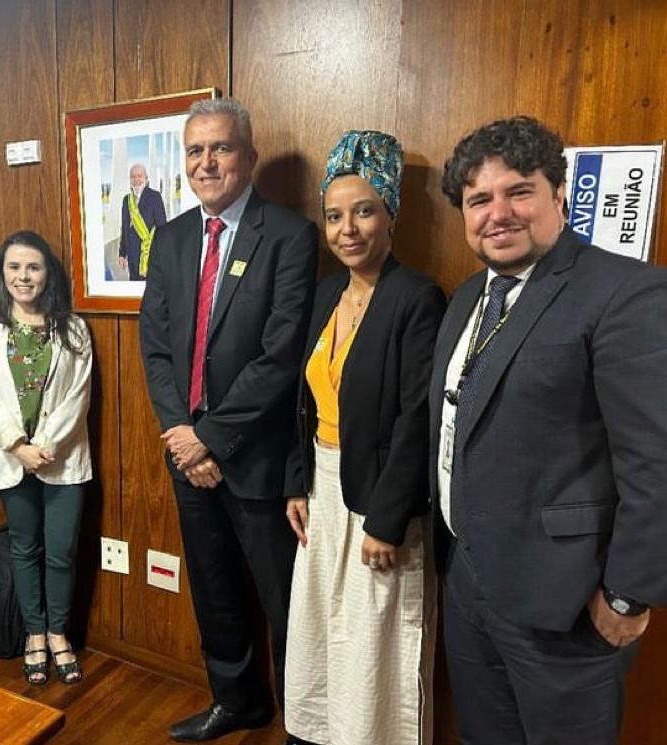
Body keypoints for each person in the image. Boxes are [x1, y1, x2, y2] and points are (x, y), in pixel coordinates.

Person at [432, 115, 667, 745]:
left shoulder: (624, 292)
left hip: (567, 598)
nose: (498, 213)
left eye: (519, 191)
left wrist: (628, 594)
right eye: (479, 199)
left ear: (559, 194)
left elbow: (657, 462)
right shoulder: (466, 299)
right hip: (468, 580)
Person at [139, 98, 318, 742]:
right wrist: (182, 437)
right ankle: (237, 701)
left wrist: (209, 438)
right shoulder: (172, 238)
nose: (206, 162)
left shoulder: (291, 236)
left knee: (282, 599)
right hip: (186, 454)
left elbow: (280, 355)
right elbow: (155, 346)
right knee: (213, 588)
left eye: (221, 148)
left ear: (250, 156)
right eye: (195, 150)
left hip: (257, 458)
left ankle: (304, 723)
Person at [283, 132, 445, 745]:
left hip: (379, 499)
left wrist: (387, 520)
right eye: (333, 216)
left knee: (374, 643)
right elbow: (302, 402)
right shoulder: (326, 294)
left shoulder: (416, 297)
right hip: (322, 491)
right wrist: (296, 484)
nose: (346, 229)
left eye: (363, 211)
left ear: (391, 214)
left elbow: (416, 418)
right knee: (322, 631)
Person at [0, 230, 92, 686]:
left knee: (61, 551)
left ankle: (58, 633)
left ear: (47, 274)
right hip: (10, 457)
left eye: (33, 267)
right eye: (15, 267)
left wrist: (47, 447)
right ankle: (34, 633)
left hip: (63, 458)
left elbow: (78, 397)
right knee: (24, 548)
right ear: (2, 273)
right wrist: (18, 446)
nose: (24, 276)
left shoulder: (73, 328)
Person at [119, 163, 167, 280]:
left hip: (150, 255)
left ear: (146, 178)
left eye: (139, 176)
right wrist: (122, 254)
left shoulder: (155, 197)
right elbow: (124, 228)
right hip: (132, 257)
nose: (136, 179)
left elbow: (162, 228)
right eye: (133, 176)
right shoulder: (126, 200)